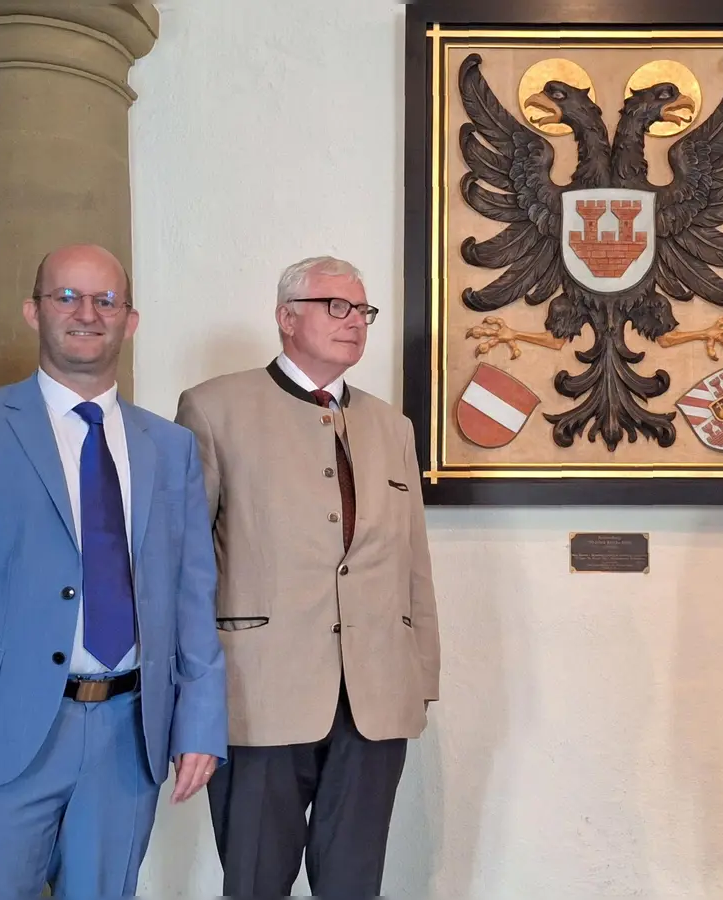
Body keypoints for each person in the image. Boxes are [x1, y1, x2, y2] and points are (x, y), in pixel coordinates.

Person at [0, 244, 228, 898]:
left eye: (107, 301)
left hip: (128, 743)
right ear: (33, 312)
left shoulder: (171, 447)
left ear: (130, 321)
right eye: (66, 297)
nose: (87, 314)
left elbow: (192, 596)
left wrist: (202, 723)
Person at [176, 255, 440, 898]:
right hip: (258, 695)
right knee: (256, 881)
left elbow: (413, 564)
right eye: (336, 306)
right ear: (286, 318)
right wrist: (191, 695)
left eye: (363, 310)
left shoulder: (391, 425)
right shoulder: (214, 409)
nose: (354, 322)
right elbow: (185, 565)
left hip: (374, 699)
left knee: (353, 885)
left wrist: (420, 678)